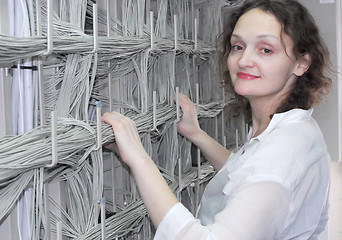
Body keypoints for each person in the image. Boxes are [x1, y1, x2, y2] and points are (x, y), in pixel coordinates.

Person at [102, 0, 332, 239]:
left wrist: (139, 159)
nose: (244, 61)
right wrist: (197, 135)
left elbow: (264, 175)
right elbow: (246, 175)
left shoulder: (282, 156)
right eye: (238, 46)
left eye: (266, 49)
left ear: (302, 63)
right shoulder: (291, 130)